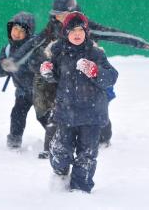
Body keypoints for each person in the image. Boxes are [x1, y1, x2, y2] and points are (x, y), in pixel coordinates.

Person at [1, 0, 149, 158]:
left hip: (89, 77)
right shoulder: (52, 28)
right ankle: (56, 146)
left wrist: (137, 42)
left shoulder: (84, 27)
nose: (59, 18)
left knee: (97, 109)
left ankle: (103, 139)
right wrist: (14, 60)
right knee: (55, 111)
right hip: (64, 78)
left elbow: (112, 34)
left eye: (63, 14)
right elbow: (33, 43)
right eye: (56, 15)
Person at [39, 12, 118, 193]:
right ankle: (60, 173)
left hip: (91, 115)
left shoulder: (95, 53)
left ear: (86, 32)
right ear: (65, 32)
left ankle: (80, 189)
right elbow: (55, 76)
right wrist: (48, 73)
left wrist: (95, 71)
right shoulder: (58, 52)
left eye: (80, 30)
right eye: (72, 30)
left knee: (87, 155)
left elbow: (112, 76)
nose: (77, 34)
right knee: (60, 151)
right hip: (66, 113)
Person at [0, 12, 38, 149]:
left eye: (21, 31)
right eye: (15, 29)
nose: (17, 33)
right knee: (17, 114)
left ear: (28, 33)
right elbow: (0, 71)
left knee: (45, 118)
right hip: (22, 91)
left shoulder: (35, 47)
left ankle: (59, 140)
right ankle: (14, 140)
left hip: (41, 91)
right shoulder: (7, 49)